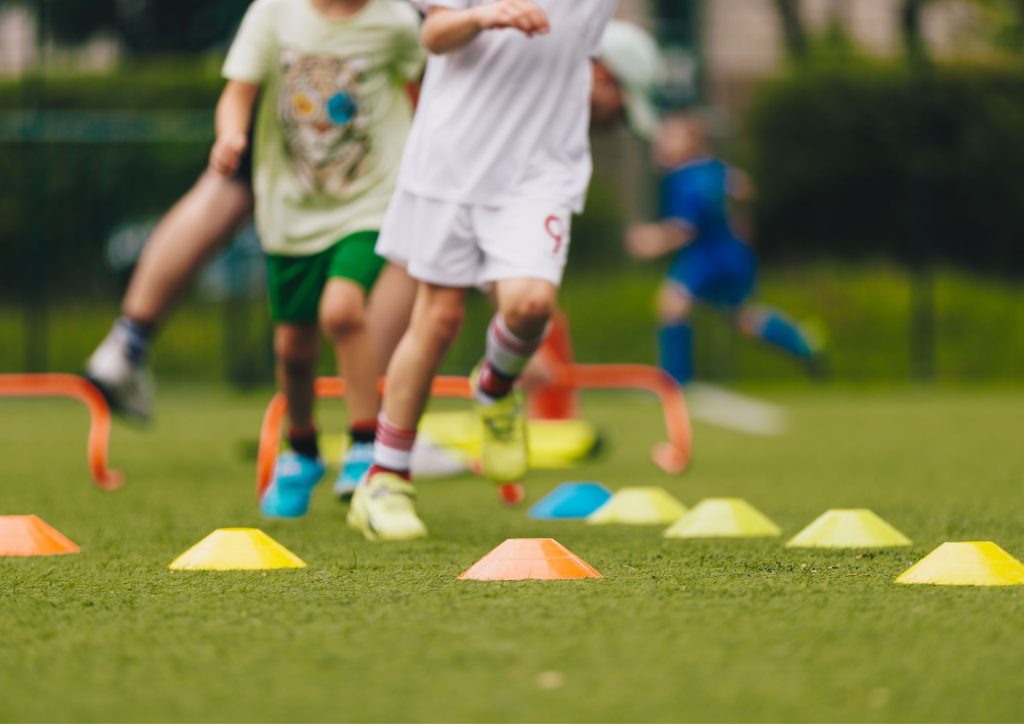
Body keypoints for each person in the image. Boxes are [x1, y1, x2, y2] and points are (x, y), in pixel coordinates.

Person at [346, 0, 619, 541]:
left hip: (540, 173)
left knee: (530, 305)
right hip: (451, 165)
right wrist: (486, 15)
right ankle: (385, 479)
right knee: (438, 318)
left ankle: (494, 386)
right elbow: (435, 35)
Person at [211, 0, 424, 516]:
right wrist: (231, 133)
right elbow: (237, 93)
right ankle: (302, 448)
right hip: (292, 209)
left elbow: (424, 93)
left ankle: (364, 444)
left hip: (371, 198)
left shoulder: (396, 21)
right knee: (293, 347)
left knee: (343, 309)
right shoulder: (273, 15)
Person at [626, 114, 823, 385]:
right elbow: (742, 186)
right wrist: (740, 219)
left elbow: (683, 230)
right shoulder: (714, 168)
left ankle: (674, 382)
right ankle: (800, 341)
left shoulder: (684, 179)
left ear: (691, 144)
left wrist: (651, 241)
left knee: (671, 304)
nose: (661, 143)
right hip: (734, 255)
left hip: (705, 258)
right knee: (744, 318)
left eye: (671, 137)